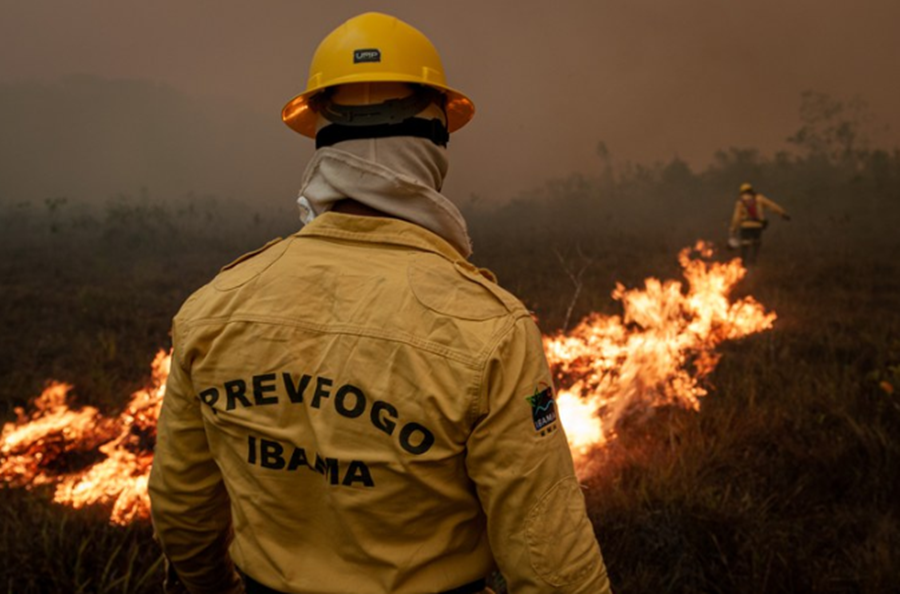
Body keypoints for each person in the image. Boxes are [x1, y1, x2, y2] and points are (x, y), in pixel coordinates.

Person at [149, 12, 613, 594]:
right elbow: (551, 563)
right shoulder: (490, 330)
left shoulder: (211, 310)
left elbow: (181, 507)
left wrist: (212, 587)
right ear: (436, 139)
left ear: (320, 139)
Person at [729, 182, 791, 266]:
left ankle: (744, 262)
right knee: (756, 243)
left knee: (745, 244)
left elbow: (736, 217)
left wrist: (733, 229)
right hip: (757, 226)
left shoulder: (740, 202)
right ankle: (753, 261)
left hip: (745, 227)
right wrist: (783, 213)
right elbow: (772, 206)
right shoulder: (759, 198)